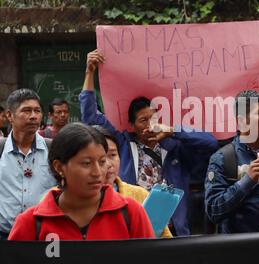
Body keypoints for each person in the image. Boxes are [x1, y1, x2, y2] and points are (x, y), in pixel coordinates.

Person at [79, 50, 218, 236]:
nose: (149, 124)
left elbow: (210, 143)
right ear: (132, 125)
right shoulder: (122, 144)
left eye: (153, 119)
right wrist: (89, 72)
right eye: (143, 120)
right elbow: (90, 116)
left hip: (174, 230)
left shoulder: (174, 147)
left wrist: (172, 131)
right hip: (133, 226)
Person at [8, 123, 155, 240]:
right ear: (59, 167)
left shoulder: (131, 213)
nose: (97, 172)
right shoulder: (31, 223)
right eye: (86, 163)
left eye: (102, 162)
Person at [205, 90, 259, 234]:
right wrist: (248, 179)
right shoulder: (222, 158)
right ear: (242, 121)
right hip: (240, 248)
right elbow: (214, 210)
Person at [93, 125, 172, 238]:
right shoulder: (71, 200)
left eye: (112, 155)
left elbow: (164, 239)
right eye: (101, 158)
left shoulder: (141, 194)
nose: (108, 164)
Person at [0, 89, 57, 240]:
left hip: (44, 236)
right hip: (4, 236)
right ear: (9, 116)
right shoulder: (0, 149)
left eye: (37, 111)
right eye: (26, 111)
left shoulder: (53, 149)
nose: (33, 116)